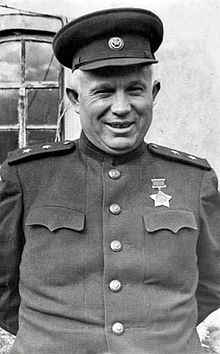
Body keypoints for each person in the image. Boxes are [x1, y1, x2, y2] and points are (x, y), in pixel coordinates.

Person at [0, 7, 219, 354]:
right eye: (103, 92)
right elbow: (3, 285)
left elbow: (211, 283)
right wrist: (51, 336)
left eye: (134, 89)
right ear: (75, 98)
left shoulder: (194, 181)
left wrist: (158, 334)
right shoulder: (28, 177)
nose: (121, 107)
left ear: (154, 94)